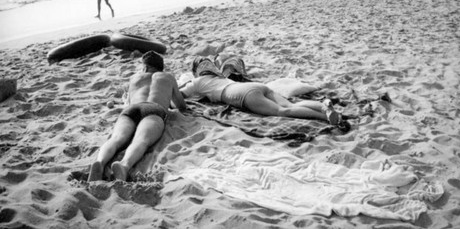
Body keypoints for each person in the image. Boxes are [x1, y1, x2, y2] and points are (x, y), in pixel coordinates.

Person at [88, 51, 186, 182]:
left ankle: (100, 162)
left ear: (145, 67)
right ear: (160, 67)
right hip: (154, 109)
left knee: (116, 138)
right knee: (141, 140)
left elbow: (128, 102)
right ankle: (124, 165)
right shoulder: (167, 77)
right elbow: (181, 105)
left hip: (131, 110)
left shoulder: (134, 78)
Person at [180, 57, 342, 124]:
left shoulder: (197, 82)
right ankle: (323, 106)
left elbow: (180, 95)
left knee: (282, 111)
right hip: (257, 86)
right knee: (292, 104)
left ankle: (325, 117)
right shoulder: (221, 76)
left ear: (197, 71)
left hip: (243, 95)